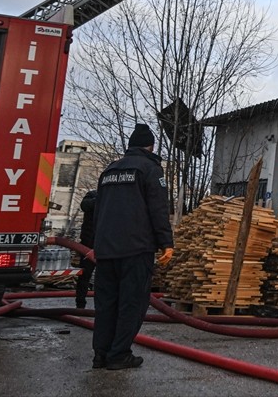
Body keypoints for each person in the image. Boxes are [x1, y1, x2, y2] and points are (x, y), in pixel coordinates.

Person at [91, 123, 174, 371]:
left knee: (105, 304)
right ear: (150, 146)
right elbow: (158, 209)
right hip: (135, 250)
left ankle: (100, 354)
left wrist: (97, 243)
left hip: (106, 251)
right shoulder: (150, 169)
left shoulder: (109, 171)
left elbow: (98, 211)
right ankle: (119, 355)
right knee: (131, 304)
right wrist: (166, 243)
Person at [74, 189, 97, 309]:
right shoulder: (93, 195)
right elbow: (85, 205)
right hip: (88, 244)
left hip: (105, 244)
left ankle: (103, 306)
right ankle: (80, 303)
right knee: (84, 275)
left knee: (106, 278)